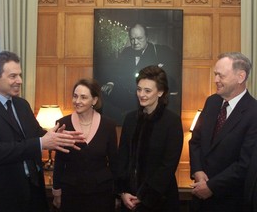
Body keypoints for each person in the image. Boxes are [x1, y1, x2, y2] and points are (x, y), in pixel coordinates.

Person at [0, 51, 85, 212]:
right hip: (2, 197)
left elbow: (35, 132)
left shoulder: (22, 104)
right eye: (13, 76)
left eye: (20, 75)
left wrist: (57, 137)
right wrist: (41, 143)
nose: (20, 81)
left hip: (33, 190)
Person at [189, 52, 257, 212]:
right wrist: (197, 171)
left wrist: (211, 186)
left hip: (231, 201)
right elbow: (195, 141)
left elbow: (245, 163)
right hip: (199, 200)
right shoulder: (211, 102)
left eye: (221, 75)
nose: (215, 80)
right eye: (215, 74)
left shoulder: (253, 112)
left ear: (241, 77)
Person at [116, 65, 184, 211]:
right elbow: (122, 158)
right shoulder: (130, 119)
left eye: (147, 90)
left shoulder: (172, 122)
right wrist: (123, 192)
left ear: (160, 92)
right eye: (139, 89)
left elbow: (168, 165)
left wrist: (144, 196)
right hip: (129, 198)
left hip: (159, 201)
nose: (142, 94)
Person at [52, 78, 118, 212]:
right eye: (75, 96)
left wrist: (117, 192)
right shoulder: (63, 124)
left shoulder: (108, 125)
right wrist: (56, 191)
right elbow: (59, 161)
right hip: (71, 193)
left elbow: (114, 162)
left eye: (83, 97)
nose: (77, 101)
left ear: (94, 100)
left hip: (102, 194)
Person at [100, 23, 182, 125]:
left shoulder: (160, 52)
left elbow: (170, 79)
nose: (135, 42)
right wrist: (111, 83)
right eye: (132, 39)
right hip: (127, 101)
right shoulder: (126, 52)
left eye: (139, 38)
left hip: (150, 104)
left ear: (147, 37)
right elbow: (117, 71)